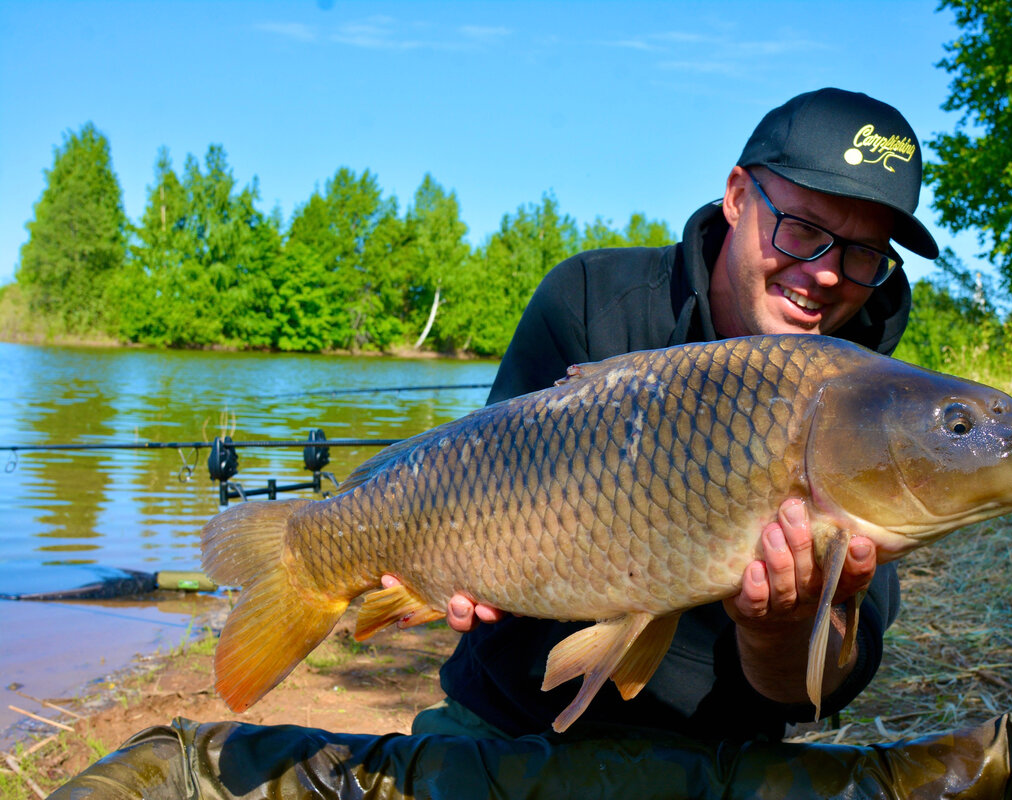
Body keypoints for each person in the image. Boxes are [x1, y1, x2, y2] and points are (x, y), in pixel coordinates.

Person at [394, 87, 940, 741]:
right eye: (803, 231)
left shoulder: (872, 410)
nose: (826, 274)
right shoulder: (592, 300)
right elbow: (476, 476)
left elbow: (816, 690)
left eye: (861, 254)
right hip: (508, 727)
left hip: (719, 760)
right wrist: (449, 562)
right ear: (737, 196)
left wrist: (782, 628)